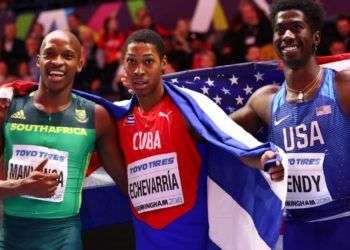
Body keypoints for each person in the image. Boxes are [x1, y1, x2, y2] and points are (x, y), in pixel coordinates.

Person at [118, 29, 284, 249]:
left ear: (163, 63)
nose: (139, 70)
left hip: (190, 236)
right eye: (131, 62)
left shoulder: (188, 108)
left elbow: (230, 141)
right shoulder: (118, 117)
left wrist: (264, 158)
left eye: (148, 61)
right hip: (146, 239)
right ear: (124, 66)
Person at [230, 0, 350, 249]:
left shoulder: (343, 87)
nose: (287, 35)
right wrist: (259, 159)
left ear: (315, 37)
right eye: (280, 28)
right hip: (296, 232)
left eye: (296, 27)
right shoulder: (266, 101)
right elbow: (222, 137)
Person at [0, 30, 126, 250]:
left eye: (67, 56)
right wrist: (20, 186)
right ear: (38, 60)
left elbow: (128, 183)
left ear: (80, 63)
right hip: (11, 236)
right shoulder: (7, 109)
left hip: (63, 238)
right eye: (49, 54)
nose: (57, 62)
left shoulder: (97, 117)